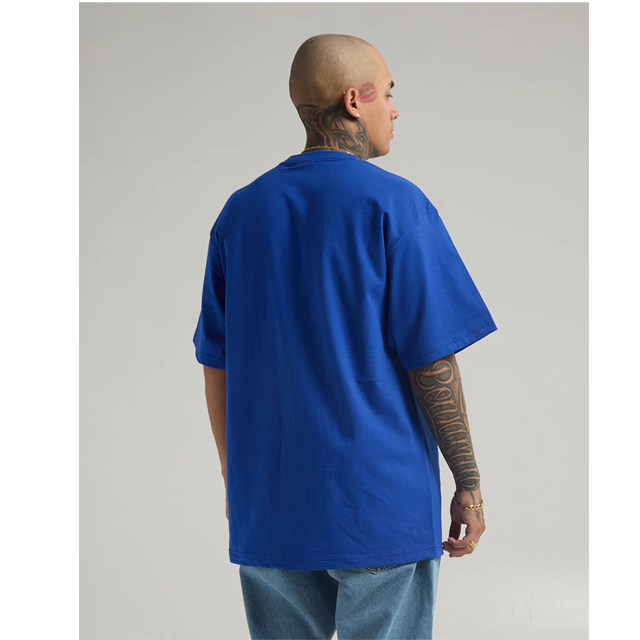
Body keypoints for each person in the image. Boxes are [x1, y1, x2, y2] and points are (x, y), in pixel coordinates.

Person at [193, 33, 497, 640]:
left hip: (271, 510)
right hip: (379, 505)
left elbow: (217, 363)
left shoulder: (240, 213)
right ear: (354, 100)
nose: (395, 109)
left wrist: (237, 480)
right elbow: (432, 363)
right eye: (388, 92)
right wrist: (468, 481)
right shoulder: (396, 205)